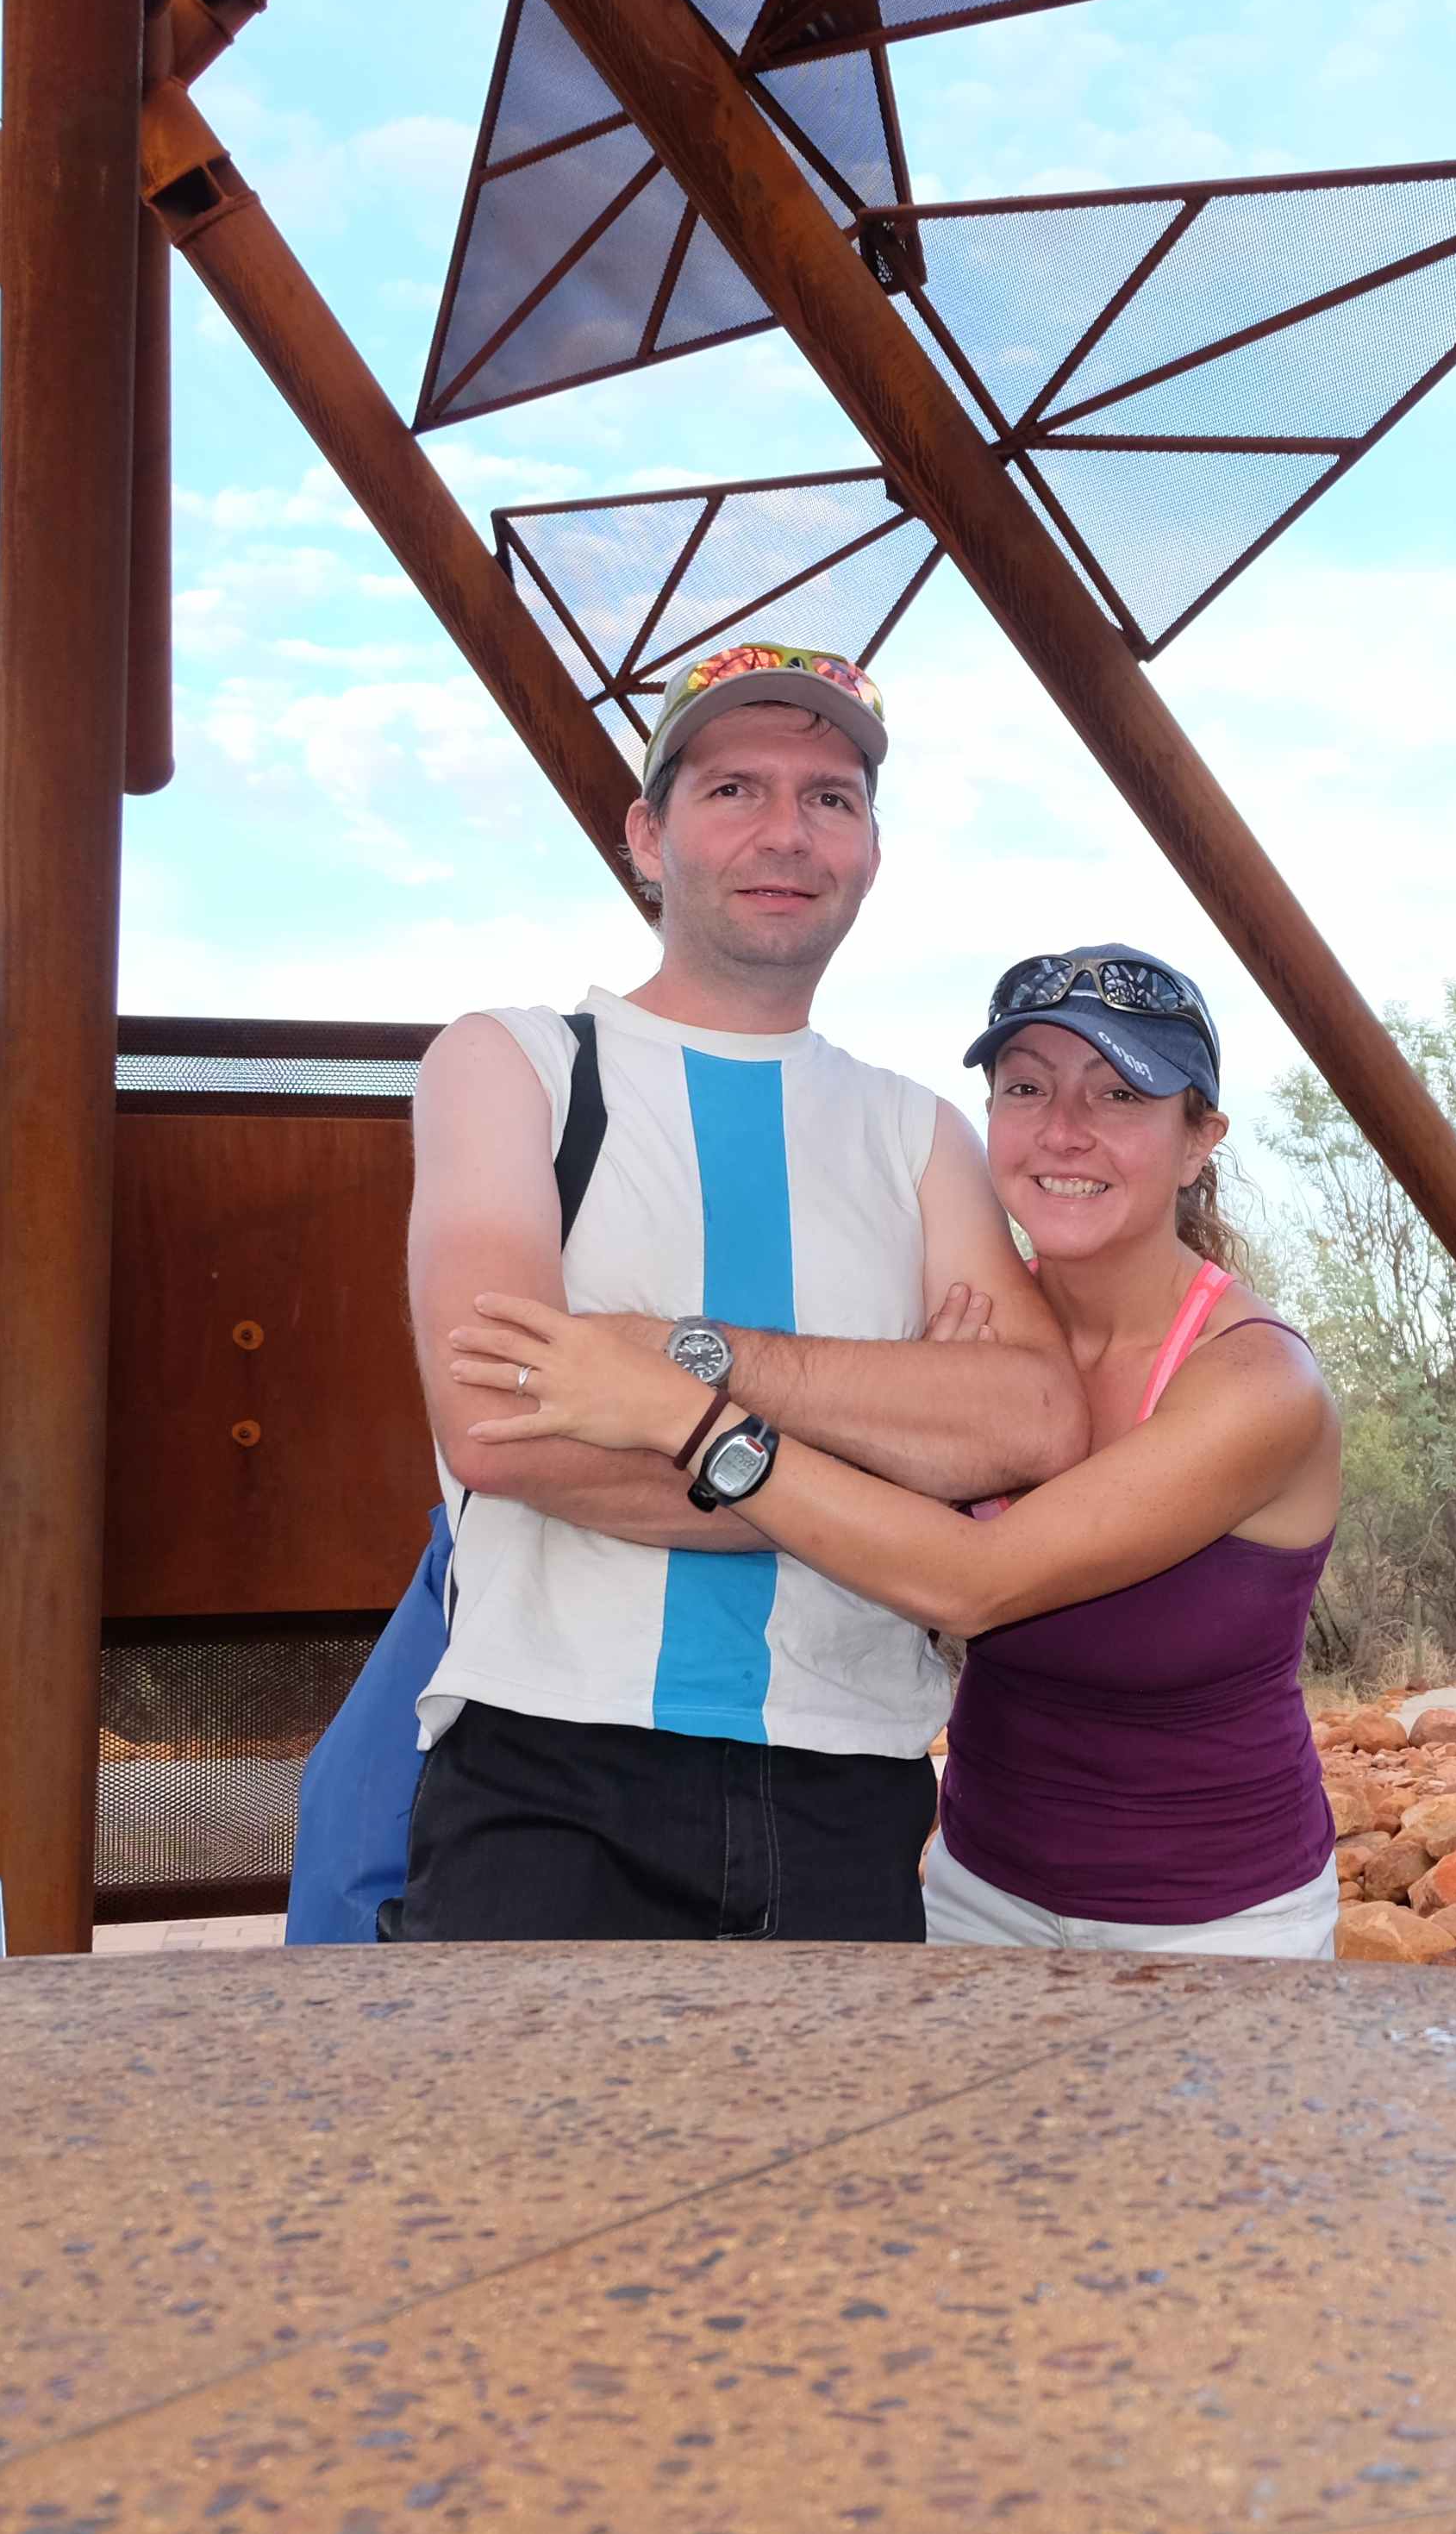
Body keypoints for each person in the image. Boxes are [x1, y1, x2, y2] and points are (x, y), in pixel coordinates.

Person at [383, 641, 1090, 1943]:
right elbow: (500, 1426)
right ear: (648, 838)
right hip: (550, 1770)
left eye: (830, 798)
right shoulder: (515, 1065)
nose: (788, 832)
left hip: (853, 1784)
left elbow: (1038, 1420)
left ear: (872, 852)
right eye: (734, 790)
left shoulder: (920, 1130)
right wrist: (906, 1490)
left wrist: (672, 1366)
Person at [447, 945, 1348, 1957]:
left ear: (1198, 1142)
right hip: (981, 1894)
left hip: (1218, 1919)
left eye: (1121, 1095)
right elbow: (872, 1506)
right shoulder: (976, 1331)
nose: (1065, 1129)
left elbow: (972, 1582)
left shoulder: (1257, 1384)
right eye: (1026, 1088)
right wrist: (923, 1429)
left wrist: (686, 1413)